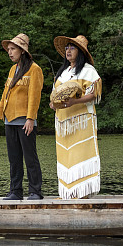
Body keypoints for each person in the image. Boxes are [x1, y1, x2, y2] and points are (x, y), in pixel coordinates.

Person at [0, 33, 44, 201]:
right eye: (9, 49)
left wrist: (30, 118)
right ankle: (15, 190)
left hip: (25, 120)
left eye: (13, 49)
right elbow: (5, 95)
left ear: (22, 50)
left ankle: (35, 191)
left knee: (30, 156)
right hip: (9, 120)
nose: (9, 52)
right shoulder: (13, 69)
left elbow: (35, 96)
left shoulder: (35, 69)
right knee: (14, 158)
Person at [49, 35, 102, 199]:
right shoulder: (63, 73)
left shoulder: (88, 71)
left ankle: (83, 193)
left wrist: (74, 101)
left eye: (72, 47)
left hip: (82, 120)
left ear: (81, 52)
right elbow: (54, 96)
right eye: (67, 48)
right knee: (66, 156)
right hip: (63, 122)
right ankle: (68, 192)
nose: (68, 50)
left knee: (81, 154)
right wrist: (53, 104)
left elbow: (93, 94)